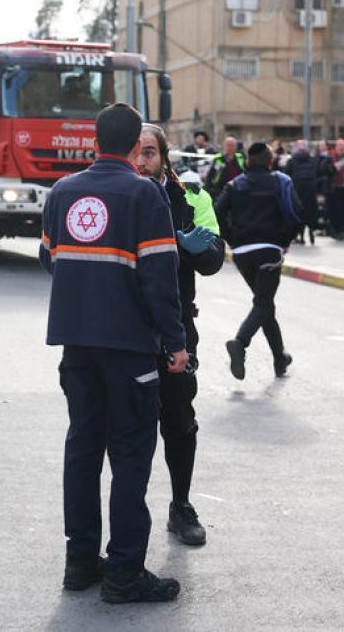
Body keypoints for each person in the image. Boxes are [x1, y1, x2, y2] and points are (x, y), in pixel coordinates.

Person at [40, 103, 187, 603]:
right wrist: (176, 342)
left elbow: (49, 257)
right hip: (128, 352)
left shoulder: (62, 193)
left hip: (76, 346)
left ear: (93, 141)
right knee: (129, 460)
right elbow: (159, 279)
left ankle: (80, 563)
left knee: (83, 450)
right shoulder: (144, 194)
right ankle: (125, 572)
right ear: (131, 147)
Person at [136, 124, 225, 547]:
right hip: (127, 328)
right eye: (135, 152)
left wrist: (194, 248)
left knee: (178, 419)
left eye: (150, 153)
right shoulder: (117, 196)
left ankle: (181, 505)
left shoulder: (192, 198)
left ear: (164, 158)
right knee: (129, 427)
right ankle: (129, 514)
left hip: (176, 326)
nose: (141, 161)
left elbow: (213, 259)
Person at [215, 142, 301, 381]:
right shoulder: (281, 181)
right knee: (263, 303)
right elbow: (297, 213)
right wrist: (284, 241)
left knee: (264, 304)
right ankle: (240, 342)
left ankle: (279, 358)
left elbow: (217, 214)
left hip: (243, 253)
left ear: (249, 162)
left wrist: (232, 240)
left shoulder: (234, 185)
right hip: (269, 250)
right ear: (270, 161)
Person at [285, 140, 318, 244]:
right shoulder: (312, 160)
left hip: (297, 190)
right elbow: (316, 173)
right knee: (310, 211)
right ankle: (311, 231)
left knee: (298, 212)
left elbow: (287, 175)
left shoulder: (292, 160)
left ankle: (300, 235)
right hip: (310, 190)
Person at [328, 139, 344, 239]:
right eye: (340, 147)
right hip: (334, 187)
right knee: (336, 211)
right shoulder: (331, 157)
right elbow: (327, 170)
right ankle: (337, 230)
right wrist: (337, 165)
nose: (341, 149)